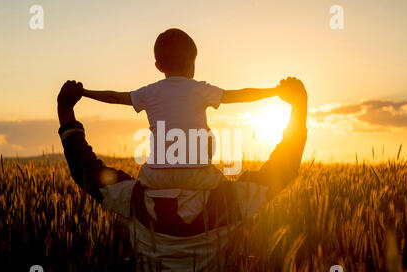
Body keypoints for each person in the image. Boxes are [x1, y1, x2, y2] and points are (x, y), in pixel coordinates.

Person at [57, 76, 308, 272]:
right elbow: (283, 168)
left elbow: (85, 170)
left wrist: (66, 111)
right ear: (208, 150)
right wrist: (299, 108)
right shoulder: (230, 200)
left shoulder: (133, 199)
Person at [79, 28, 284, 204]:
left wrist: (84, 92)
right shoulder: (199, 89)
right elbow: (239, 95)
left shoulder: (149, 92)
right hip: (197, 174)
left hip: (156, 176)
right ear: (192, 61)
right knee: (227, 194)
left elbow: (114, 97)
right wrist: (273, 91)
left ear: (158, 66)